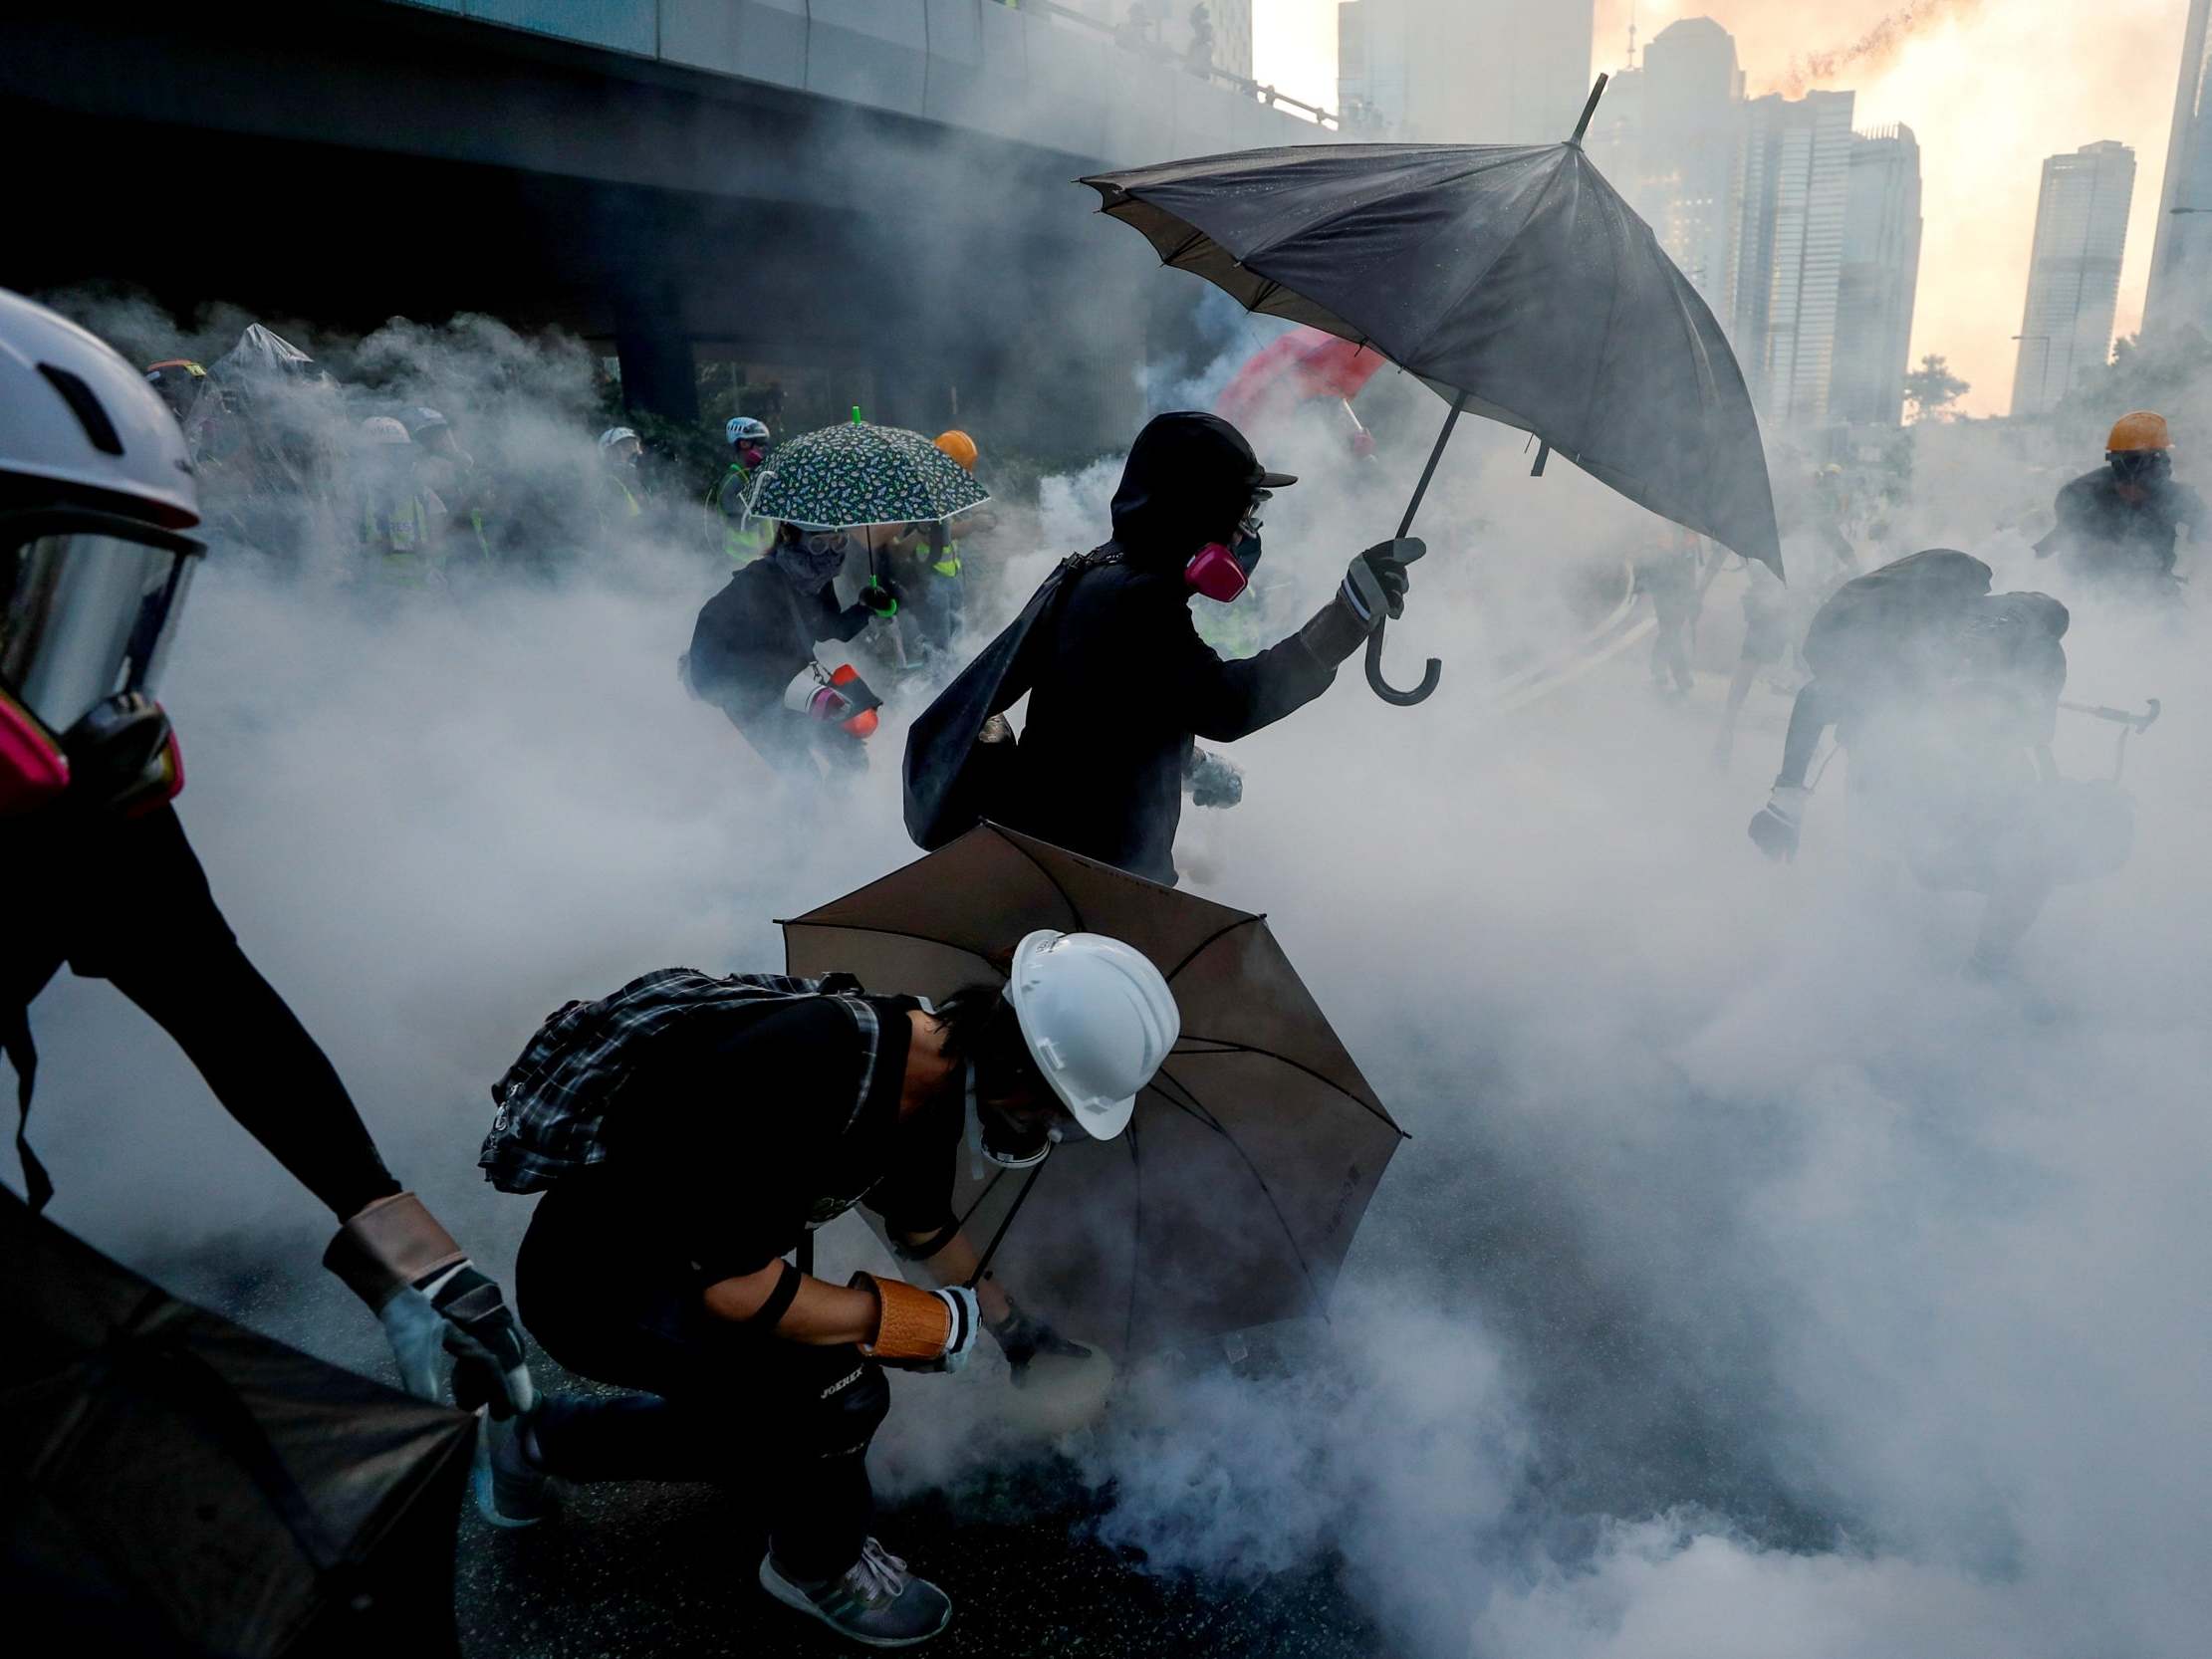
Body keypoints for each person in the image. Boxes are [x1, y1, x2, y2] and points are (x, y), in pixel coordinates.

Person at [0, 290, 533, 1452]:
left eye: (91, 601)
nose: (67, 667)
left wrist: (411, 1261)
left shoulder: (78, 772)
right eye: (21, 599)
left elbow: (214, 994)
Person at [477, 931, 1177, 1646]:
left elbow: (923, 1228)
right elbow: (734, 1290)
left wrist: (1017, 1335)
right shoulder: (804, 1060)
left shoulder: (933, 1073)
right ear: (1022, 1076)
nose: (1049, 1132)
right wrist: (919, 1323)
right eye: (1054, 1112)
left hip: (699, 1265)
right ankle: (815, 1567)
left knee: (772, 1434)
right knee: (837, 1391)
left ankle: (537, 1440)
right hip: (601, 1285)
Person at [905, 411, 1418, 885]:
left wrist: (1184, 759)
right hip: (1097, 877)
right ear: (1196, 508)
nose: (1247, 530)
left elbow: (1102, 710)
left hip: (1057, 860)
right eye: (1241, 511)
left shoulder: (1098, 572)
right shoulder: (1139, 598)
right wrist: (1345, 619)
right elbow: (1228, 706)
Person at [1745, 548, 2124, 972]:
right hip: (1895, 771)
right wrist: (1785, 806)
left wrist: (1786, 805)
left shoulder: (2023, 648)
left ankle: (1962, 967)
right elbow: (1818, 696)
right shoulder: (1911, 650)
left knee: (2019, 861)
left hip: (1959, 775)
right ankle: (1904, 965)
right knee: (1905, 869)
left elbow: (2032, 736)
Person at [683, 520, 904, 778]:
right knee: (801, 773)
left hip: (800, 682)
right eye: (819, 543)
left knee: (851, 757)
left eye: (839, 541)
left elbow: (829, 628)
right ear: (789, 534)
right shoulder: (757, 581)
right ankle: (798, 815)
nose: (830, 553)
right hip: (754, 696)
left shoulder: (817, 578)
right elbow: (711, 627)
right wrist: (736, 687)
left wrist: (866, 608)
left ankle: (836, 812)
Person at [2035, 410, 2204, 600]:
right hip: (2089, 595)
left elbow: (2205, 535)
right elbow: (2055, 546)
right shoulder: (2079, 496)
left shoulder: (2176, 497)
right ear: (2120, 466)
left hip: (2156, 593)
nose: (2136, 491)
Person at [356, 414, 445, 586]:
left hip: (421, 593)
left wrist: (427, 549)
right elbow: (340, 548)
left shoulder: (422, 494)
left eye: (397, 451)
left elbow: (440, 543)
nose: (392, 459)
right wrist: (370, 549)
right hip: (373, 595)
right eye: (384, 452)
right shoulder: (357, 496)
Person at [1632, 528, 1703, 699]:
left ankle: (1657, 666)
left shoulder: (1690, 532)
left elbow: (1689, 568)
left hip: (1679, 590)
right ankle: (1681, 677)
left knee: (1670, 632)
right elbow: (1654, 555)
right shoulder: (1671, 530)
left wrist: (1692, 595)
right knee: (1671, 633)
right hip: (1664, 588)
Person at [706, 414, 776, 567]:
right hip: (736, 560)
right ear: (743, 444)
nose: (761, 449)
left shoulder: (754, 478)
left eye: (763, 444)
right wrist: (769, 504)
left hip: (759, 561)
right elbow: (739, 520)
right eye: (757, 444)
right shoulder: (734, 480)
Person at [597, 424, 645, 529]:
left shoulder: (640, 482)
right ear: (610, 453)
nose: (635, 454)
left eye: (635, 447)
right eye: (627, 448)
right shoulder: (609, 483)